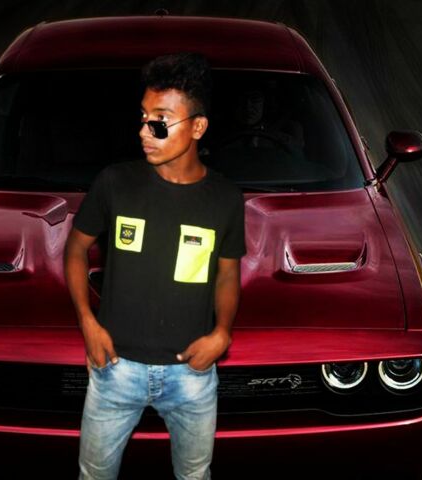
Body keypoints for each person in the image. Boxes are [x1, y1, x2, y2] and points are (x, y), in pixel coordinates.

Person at [63, 52, 246, 480]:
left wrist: (222, 332)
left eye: (160, 121)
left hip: (191, 375)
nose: (145, 131)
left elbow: (227, 273)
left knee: (195, 475)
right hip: (115, 369)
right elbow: (75, 250)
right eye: (143, 118)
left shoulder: (225, 198)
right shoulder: (115, 183)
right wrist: (88, 322)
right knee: (93, 475)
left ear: (197, 127)